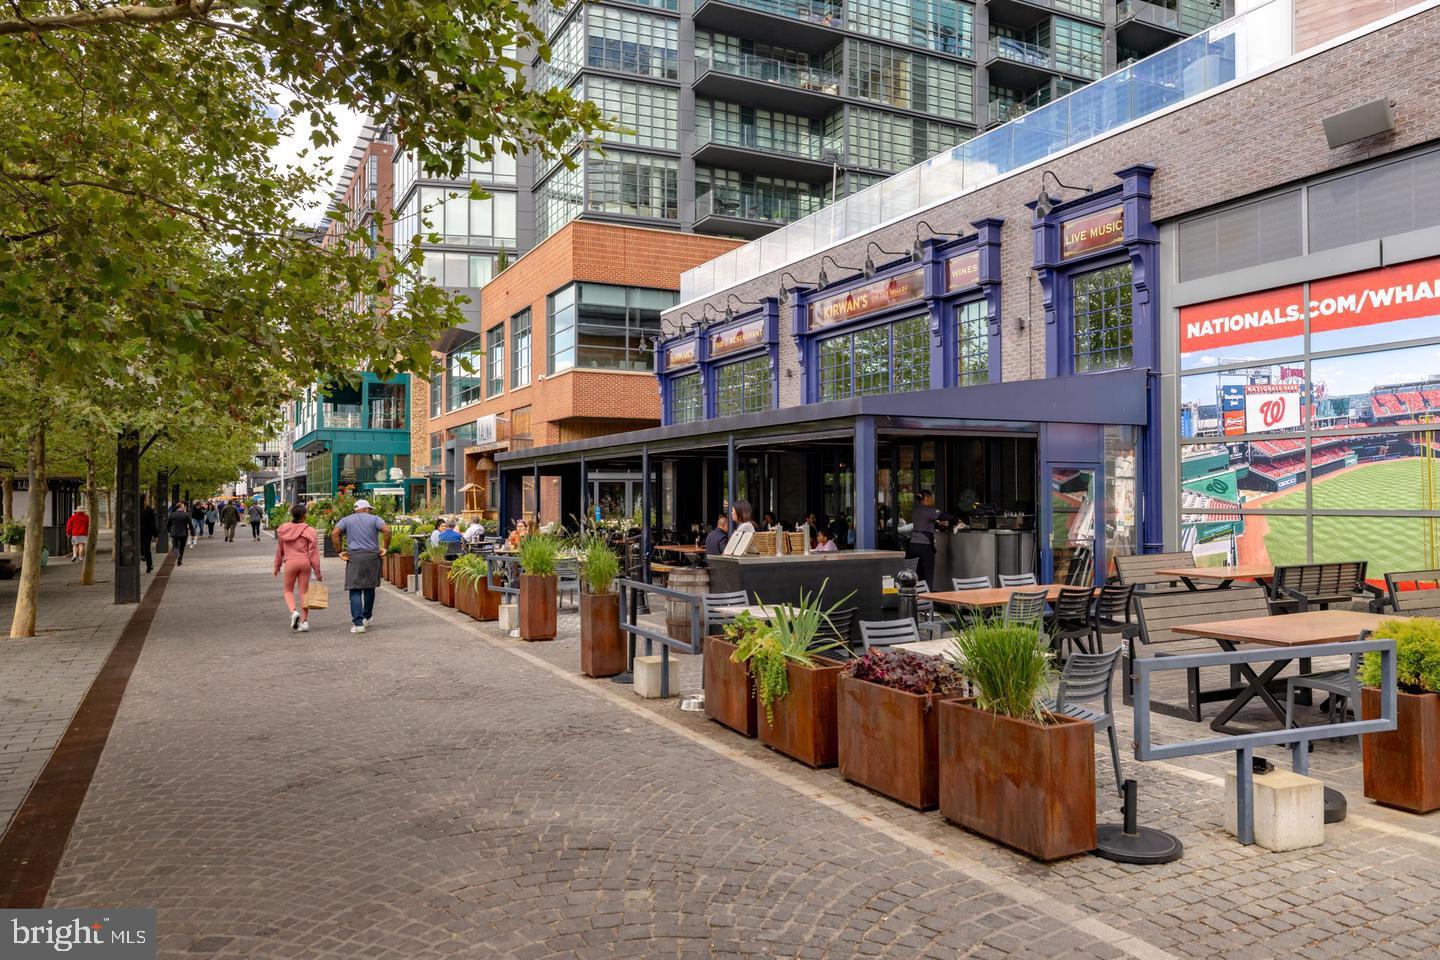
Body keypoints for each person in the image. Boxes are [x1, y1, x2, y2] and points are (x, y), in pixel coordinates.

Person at [331, 499, 390, 635]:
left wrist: (339, 551)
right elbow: (387, 531)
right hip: (372, 556)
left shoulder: (346, 520)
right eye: (368, 508)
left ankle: (358, 624)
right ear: (364, 509)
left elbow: (334, 534)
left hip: (355, 557)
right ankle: (367, 617)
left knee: (355, 590)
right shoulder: (375, 519)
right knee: (370, 587)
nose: (369, 511)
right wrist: (385, 548)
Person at [273, 503, 323, 632]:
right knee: (303, 592)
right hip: (305, 562)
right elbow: (314, 553)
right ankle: (304, 622)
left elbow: (280, 550)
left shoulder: (284, 529)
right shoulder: (309, 530)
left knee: (288, 590)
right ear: (304, 515)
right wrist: (317, 572)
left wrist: (277, 565)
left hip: (290, 562)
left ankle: (293, 612)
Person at [907, 490, 939, 588]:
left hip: (913, 545)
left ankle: (917, 599)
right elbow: (945, 516)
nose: (932, 501)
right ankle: (928, 600)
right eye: (931, 499)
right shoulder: (928, 510)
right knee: (928, 574)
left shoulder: (915, 511)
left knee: (916, 574)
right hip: (925, 546)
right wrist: (956, 518)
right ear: (926, 499)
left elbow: (923, 524)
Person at [139, 496, 157, 574]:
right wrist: (156, 535)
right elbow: (153, 523)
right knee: (146, 549)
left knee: (145, 548)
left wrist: (156, 535)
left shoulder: (136, 509)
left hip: (141, 532)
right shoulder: (149, 510)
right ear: (144, 500)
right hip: (147, 532)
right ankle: (149, 566)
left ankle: (148, 565)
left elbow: (153, 523)